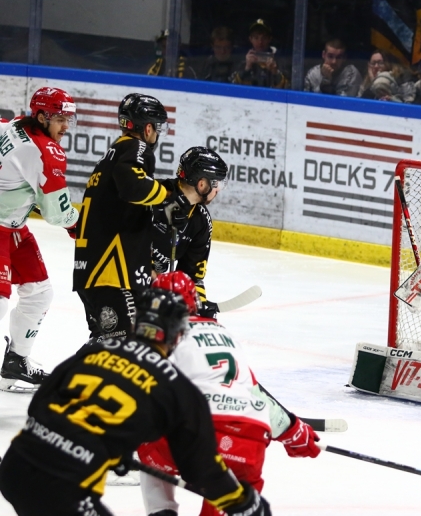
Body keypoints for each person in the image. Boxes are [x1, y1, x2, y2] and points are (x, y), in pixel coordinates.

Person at [0, 288, 270, 516]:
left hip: (14, 466)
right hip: (64, 486)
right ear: (178, 335)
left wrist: (105, 444)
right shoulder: (175, 387)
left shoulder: (94, 351)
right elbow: (199, 466)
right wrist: (243, 501)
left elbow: (41, 402)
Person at [138, 272, 320, 516]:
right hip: (249, 441)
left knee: (146, 434)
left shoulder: (160, 337)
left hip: (196, 440)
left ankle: (162, 511)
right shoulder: (225, 334)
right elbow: (256, 393)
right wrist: (294, 431)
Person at [73, 93, 193, 346]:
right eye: (157, 128)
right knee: (128, 346)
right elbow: (133, 187)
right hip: (110, 275)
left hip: (96, 272)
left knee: (107, 343)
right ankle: (70, 384)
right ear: (147, 128)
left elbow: (127, 199)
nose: (157, 135)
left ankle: (71, 385)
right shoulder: (135, 147)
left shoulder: (113, 154)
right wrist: (168, 195)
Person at [0, 87, 80, 391]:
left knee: (39, 293)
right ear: (43, 116)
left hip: (14, 227)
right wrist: (80, 226)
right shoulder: (45, 151)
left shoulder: (17, 124)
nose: (65, 126)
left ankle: (16, 361)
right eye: (60, 118)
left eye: (68, 119)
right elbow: (58, 214)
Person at [151, 147, 228, 317]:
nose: (218, 190)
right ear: (202, 184)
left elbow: (192, 275)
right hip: (116, 279)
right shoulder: (152, 195)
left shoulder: (201, 222)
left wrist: (197, 302)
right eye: (217, 184)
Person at [232, 19, 288, 89]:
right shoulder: (243, 60)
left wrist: (275, 73)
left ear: (269, 39)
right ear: (250, 39)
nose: (260, 42)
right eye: (256, 38)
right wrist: (247, 68)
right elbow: (233, 86)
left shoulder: (279, 59)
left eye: (264, 38)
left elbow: (288, 88)